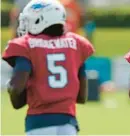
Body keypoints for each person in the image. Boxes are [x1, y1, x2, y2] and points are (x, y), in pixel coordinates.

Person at [2, 0, 94, 135]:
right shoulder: (77, 44)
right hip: (68, 124)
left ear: (42, 20)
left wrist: (12, 88)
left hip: (39, 123)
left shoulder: (26, 45)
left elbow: (16, 89)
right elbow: (81, 97)